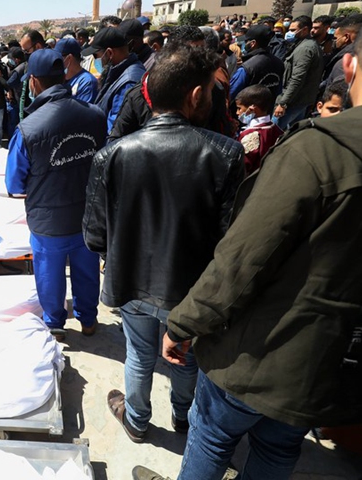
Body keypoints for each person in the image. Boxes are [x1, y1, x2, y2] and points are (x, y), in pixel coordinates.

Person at [133, 11, 362, 480]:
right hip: (327, 372)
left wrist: (184, 324)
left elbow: (242, 259)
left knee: (211, 436)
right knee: (275, 453)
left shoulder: (318, 152)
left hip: (257, 359)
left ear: (348, 66)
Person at [83, 44, 245, 444]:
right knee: (184, 354)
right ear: (195, 95)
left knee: (139, 353)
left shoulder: (112, 154)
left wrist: (118, 256)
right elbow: (230, 238)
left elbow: (94, 234)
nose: (212, 98)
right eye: (209, 90)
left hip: (131, 281)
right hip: (190, 290)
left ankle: (137, 420)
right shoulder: (225, 153)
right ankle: (184, 417)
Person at [5, 49, 106, 341]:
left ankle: (55, 324)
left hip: (48, 220)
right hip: (87, 215)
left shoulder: (28, 128)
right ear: (64, 76)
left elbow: (14, 183)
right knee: (87, 271)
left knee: (49, 276)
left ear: (34, 82)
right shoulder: (95, 115)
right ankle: (88, 321)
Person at [85, 27, 146, 132]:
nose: (95, 60)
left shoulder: (129, 82)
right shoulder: (116, 72)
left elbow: (114, 130)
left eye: (96, 55)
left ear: (109, 53)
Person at [274, 16, 323, 129]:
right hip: (300, 99)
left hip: (293, 101)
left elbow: (297, 78)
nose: (289, 33)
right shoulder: (307, 45)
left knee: (274, 131)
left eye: (293, 30)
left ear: (305, 30)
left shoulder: (305, 49)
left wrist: (283, 103)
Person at [235, 85, 284, 175]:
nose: (237, 112)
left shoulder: (250, 136)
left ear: (253, 109)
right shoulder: (278, 131)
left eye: (239, 108)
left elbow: (241, 167)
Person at [229, 25, 285, 101]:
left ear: (252, 43)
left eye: (246, 41)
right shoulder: (278, 62)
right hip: (267, 109)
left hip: (247, 110)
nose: (244, 44)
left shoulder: (247, 67)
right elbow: (279, 90)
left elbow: (231, 93)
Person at [322, 14, 362, 91]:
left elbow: (338, 93)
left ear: (346, 37)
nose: (333, 41)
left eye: (335, 38)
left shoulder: (346, 62)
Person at [56, 38, 98, 103]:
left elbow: (83, 111)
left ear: (69, 58)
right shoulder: (60, 79)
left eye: (58, 57)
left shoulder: (87, 82)